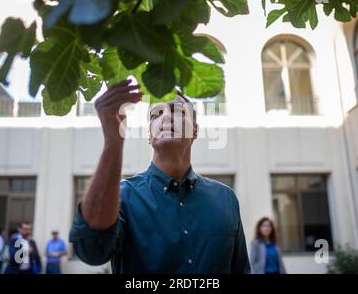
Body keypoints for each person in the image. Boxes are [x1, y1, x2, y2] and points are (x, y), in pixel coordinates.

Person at [70, 81, 250, 273]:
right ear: (149, 135)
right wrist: (113, 140)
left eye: (177, 110)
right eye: (156, 114)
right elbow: (91, 250)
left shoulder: (226, 199)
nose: (166, 117)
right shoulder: (122, 196)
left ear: (195, 130)